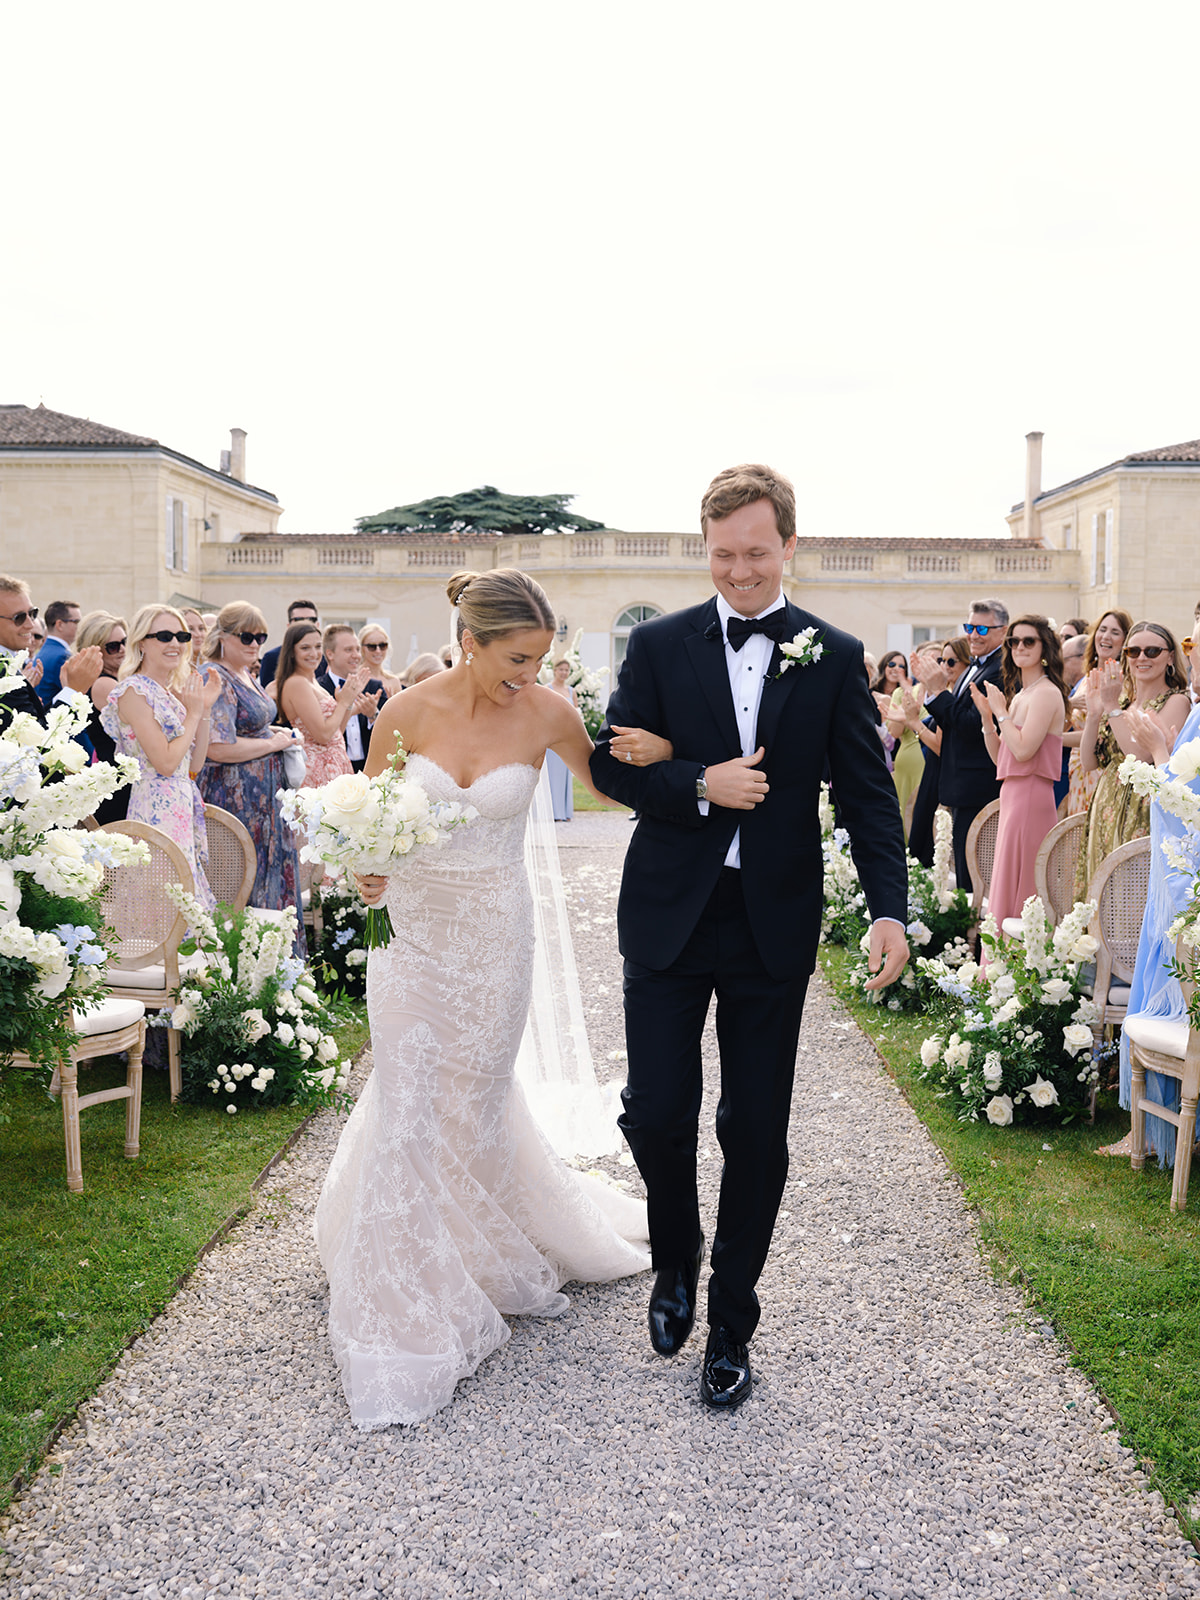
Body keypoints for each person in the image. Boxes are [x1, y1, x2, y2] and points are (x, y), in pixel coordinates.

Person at [589, 463, 908, 1411]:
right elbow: (612, 766)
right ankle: (675, 1257)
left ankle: (730, 1321)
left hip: (772, 921)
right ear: (707, 550)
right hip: (667, 915)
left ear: (790, 547)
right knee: (655, 1110)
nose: (739, 572)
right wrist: (697, 781)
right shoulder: (655, 645)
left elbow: (866, 795)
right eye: (723, 555)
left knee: (755, 1128)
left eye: (756, 554)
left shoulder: (833, 653)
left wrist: (890, 906)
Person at [315, 567, 654, 1431]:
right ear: (469, 641)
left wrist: (666, 757)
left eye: (540, 660)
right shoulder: (405, 712)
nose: (530, 676)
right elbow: (373, 816)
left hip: (495, 938)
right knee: (405, 1095)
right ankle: (403, 1285)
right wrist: (366, 867)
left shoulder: (549, 714)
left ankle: (476, 1245)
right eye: (516, 659)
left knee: (472, 1097)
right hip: (415, 935)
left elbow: (614, 786)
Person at [1096, 699, 1200, 1161]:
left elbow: (1186, 808)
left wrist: (1161, 753)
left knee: (1171, 986)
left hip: (1184, 886)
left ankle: (1161, 1136)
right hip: (1176, 878)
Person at [197, 602, 306, 947]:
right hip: (235, 799)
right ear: (223, 637)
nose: (255, 644)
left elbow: (251, 729)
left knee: (271, 878)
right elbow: (218, 747)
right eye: (247, 636)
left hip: (264, 801)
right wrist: (274, 744)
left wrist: (278, 736)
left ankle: (281, 974)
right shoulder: (214, 676)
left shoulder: (244, 672)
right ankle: (246, 975)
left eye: (261, 637)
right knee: (245, 884)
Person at [102, 606, 220, 909]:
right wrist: (193, 713)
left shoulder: (167, 692)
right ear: (142, 642)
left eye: (181, 636)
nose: (175, 644)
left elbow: (192, 766)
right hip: (155, 805)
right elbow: (165, 764)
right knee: (160, 903)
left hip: (181, 803)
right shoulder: (132, 691)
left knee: (185, 903)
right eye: (164, 636)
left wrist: (204, 710)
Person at [1074, 621, 1190, 899]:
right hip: (1106, 806)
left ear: (1170, 656)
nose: (1141, 658)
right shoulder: (1124, 702)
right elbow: (1090, 762)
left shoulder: (1176, 702)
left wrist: (1111, 708)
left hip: (1142, 809)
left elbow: (1140, 757)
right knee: (1102, 897)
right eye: (1133, 651)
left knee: (1130, 897)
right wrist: (1094, 714)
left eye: (1152, 651)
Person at [971, 616, 1069, 931]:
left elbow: (1025, 751)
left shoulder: (1046, 693)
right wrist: (989, 719)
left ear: (1045, 649)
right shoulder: (1023, 695)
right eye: (1013, 641)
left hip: (1031, 797)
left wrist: (1001, 713)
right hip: (1013, 796)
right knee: (1006, 881)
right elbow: (1002, 754)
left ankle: (1016, 970)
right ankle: (998, 972)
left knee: (1024, 886)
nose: (1019, 647)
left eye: (1029, 641)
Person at [920, 600, 1009, 891]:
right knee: (962, 868)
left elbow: (972, 725)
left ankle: (973, 932)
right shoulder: (975, 665)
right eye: (969, 627)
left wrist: (936, 691)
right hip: (960, 782)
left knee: (975, 872)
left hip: (978, 785)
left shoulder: (1000, 670)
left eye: (982, 628)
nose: (974, 634)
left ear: (1003, 631)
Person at [274, 621, 374, 788]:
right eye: (305, 648)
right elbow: (323, 735)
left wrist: (348, 702)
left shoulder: (312, 681)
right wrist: (343, 703)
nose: (314, 653)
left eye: (317, 646)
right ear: (291, 652)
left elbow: (336, 733)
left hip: (336, 765)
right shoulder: (297, 683)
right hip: (316, 771)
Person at [0, 576, 101, 732]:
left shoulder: (8, 665)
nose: (30, 624)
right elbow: (39, 744)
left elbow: (35, 723)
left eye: (32, 613)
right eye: (18, 618)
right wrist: (74, 691)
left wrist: (67, 690)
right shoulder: (3, 672)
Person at [903, 638, 968, 867]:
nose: (945, 666)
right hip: (933, 773)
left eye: (951, 661)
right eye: (942, 660)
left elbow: (940, 745)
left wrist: (914, 723)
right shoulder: (948, 696)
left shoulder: (952, 699)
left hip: (940, 775)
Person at [1066, 611, 1131, 816]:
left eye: (1114, 632)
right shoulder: (1087, 679)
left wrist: (1052, 739)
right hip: (1078, 770)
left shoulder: (1122, 681)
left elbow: (1105, 734)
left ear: (1125, 641)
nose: (1106, 637)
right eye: (1102, 630)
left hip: (1101, 768)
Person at [77, 610, 131, 824]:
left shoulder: (116, 679)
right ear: (96, 650)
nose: (122, 650)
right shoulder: (104, 684)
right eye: (113, 646)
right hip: (118, 785)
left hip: (118, 779)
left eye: (125, 642)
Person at [318, 626, 384, 772]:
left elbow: (390, 733)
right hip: (332, 769)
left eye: (357, 649)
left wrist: (373, 715)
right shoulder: (318, 689)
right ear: (330, 654)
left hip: (369, 769)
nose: (356, 656)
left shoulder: (374, 687)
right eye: (348, 650)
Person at [874, 650, 922, 837]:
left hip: (899, 752)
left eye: (902, 666)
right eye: (892, 665)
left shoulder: (908, 693)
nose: (897, 669)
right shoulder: (871, 692)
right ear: (884, 666)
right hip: (881, 753)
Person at [1055, 632, 1088, 810]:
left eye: (1064, 660)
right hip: (1075, 772)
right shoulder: (1075, 690)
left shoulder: (1090, 685)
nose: (1060, 667)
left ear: (1082, 659)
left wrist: (1051, 737)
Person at [259, 599, 321, 688]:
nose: (305, 623)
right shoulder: (271, 658)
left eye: (311, 619)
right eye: (299, 620)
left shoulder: (323, 658)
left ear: (317, 624)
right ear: (289, 626)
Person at [543, 658, 577, 820]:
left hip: (567, 738)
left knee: (564, 773)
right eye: (561, 669)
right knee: (552, 774)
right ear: (555, 670)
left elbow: (576, 716)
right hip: (551, 738)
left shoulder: (572, 692)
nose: (564, 673)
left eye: (566, 670)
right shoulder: (547, 689)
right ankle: (553, 812)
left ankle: (564, 812)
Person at [35, 599, 81, 707]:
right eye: (76, 622)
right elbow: (76, 695)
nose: (80, 627)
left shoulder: (44, 651)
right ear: (59, 624)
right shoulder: (62, 657)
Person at [358, 626, 405, 698]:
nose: (378, 651)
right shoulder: (354, 677)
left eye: (382, 645)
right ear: (362, 648)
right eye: (372, 646)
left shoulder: (393, 681)